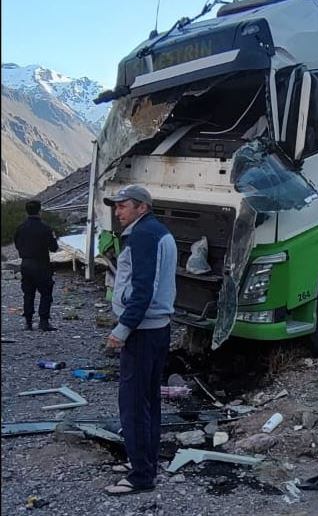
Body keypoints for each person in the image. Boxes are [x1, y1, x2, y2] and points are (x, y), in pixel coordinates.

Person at [102, 185, 177, 496]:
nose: (118, 211)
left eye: (123, 206)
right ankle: (143, 462)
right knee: (149, 400)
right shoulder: (157, 232)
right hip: (157, 328)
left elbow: (143, 288)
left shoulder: (144, 235)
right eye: (116, 206)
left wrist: (121, 330)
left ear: (142, 208)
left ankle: (141, 476)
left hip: (142, 331)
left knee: (133, 403)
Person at [13, 199, 59, 331]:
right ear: (40, 211)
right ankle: (43, 322)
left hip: (26, 264)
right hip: (41, 264)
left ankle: (28, 322)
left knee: (28, 293)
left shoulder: (20, 227)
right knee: (46, 292)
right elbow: (54, 248)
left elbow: (17, 244)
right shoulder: (46, 228)